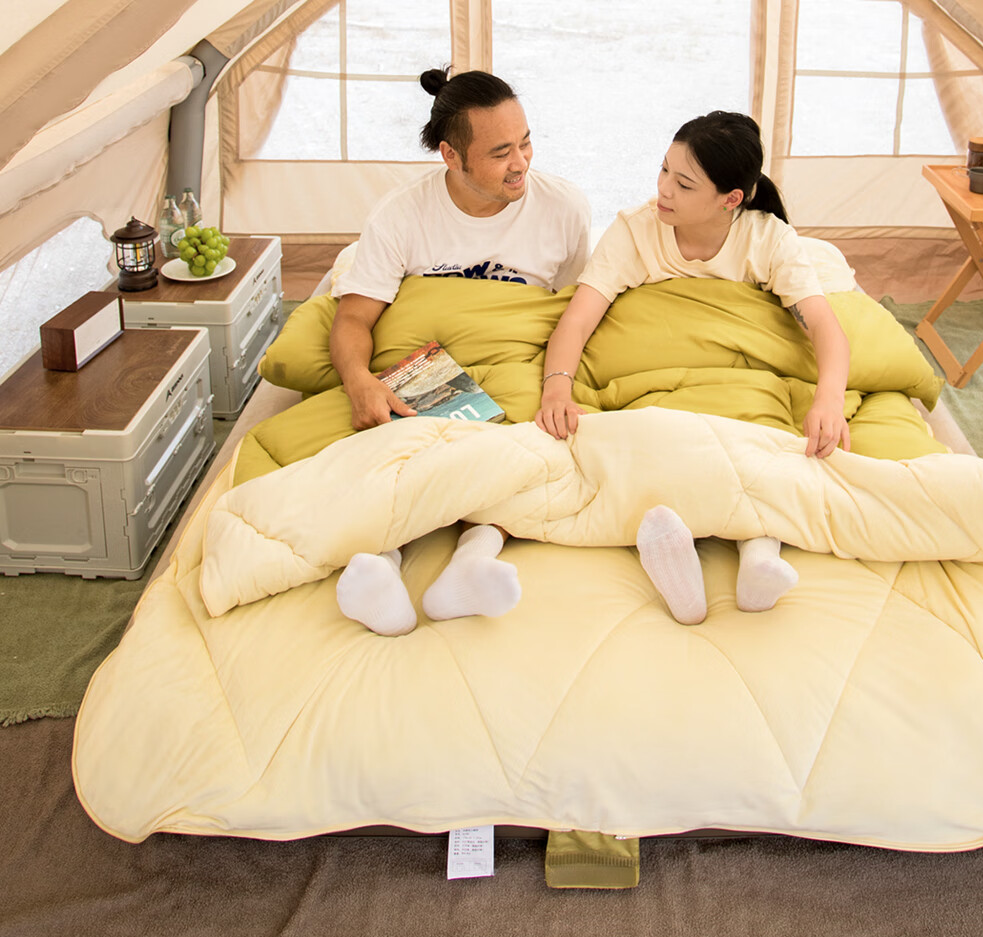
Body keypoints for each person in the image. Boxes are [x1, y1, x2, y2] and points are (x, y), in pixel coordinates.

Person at [535, 110, 852, 624]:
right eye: (664, 169)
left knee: (763, 439)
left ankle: (760, 556)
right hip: (662, 382)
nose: (663, 189)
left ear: (731, 198)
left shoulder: (768, 239)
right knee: (651, 438)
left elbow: (823, 327)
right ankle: (674, 551)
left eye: (684, 184)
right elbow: (578, 319)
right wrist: (557, 389)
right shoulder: (635, 231)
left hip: (736, 385)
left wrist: (829, 401)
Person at [330, 67, 590, 637]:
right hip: (429, 361)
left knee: (532, 443)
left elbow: (568, 310)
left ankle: (473, 561)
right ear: (451, 156)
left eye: (525, 143)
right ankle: (382, 563)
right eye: (500, 153)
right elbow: (353, 317)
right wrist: (359, 381)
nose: (520, 163)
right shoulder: (401, 214)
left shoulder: (565, 208)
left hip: (514, 358)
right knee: (404, 444)